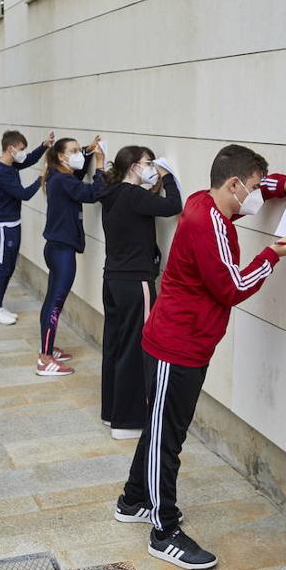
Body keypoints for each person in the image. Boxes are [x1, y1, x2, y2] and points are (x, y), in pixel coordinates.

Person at [114, 145, 286, 570]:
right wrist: (272, 255)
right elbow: (232, 287)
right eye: (251, 188)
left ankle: (133, 500)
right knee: (166, 440)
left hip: (182, 342)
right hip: (178, 346)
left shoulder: (203, 202)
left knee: (159, 428)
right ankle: (163, 530)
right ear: (233, 185)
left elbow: (255, 185)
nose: (255, 196)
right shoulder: (209, 224)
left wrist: (285, 184)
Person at [97, 146, 182, 439]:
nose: (151, 167)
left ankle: (112, 414)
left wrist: (154, 181)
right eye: (148, 163)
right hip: (136, 284)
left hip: (113, 280)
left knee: (115, 346)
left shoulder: (111, 193)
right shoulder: (135, 196)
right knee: (137, 349)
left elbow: (145, 208)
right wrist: (167, 175)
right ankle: (128, 422)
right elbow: (173, 206)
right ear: (134, 166)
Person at [34, 136, 106, 377]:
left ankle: (48, 348)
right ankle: (45, 359)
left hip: (55, 248)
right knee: (55, 303)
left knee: (51, 300)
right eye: (73, 151)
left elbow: (77, 177)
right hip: (62, 252)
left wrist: (86, 151)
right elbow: (93, 192)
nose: (78, 154)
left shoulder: (57, 175)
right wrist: (101, 163)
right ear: (62, 156)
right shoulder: (63, 180)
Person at [0, 129, 52, 325]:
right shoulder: (0, 171)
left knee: (9, 267)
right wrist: (42, 178)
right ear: (11, 148)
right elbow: (23, 194)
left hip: (13, 224)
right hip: (4, 227)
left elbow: (28, 160)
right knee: (2, 268)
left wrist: (44, 146)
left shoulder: (10, 163)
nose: (24, 152)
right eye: (22, 149)